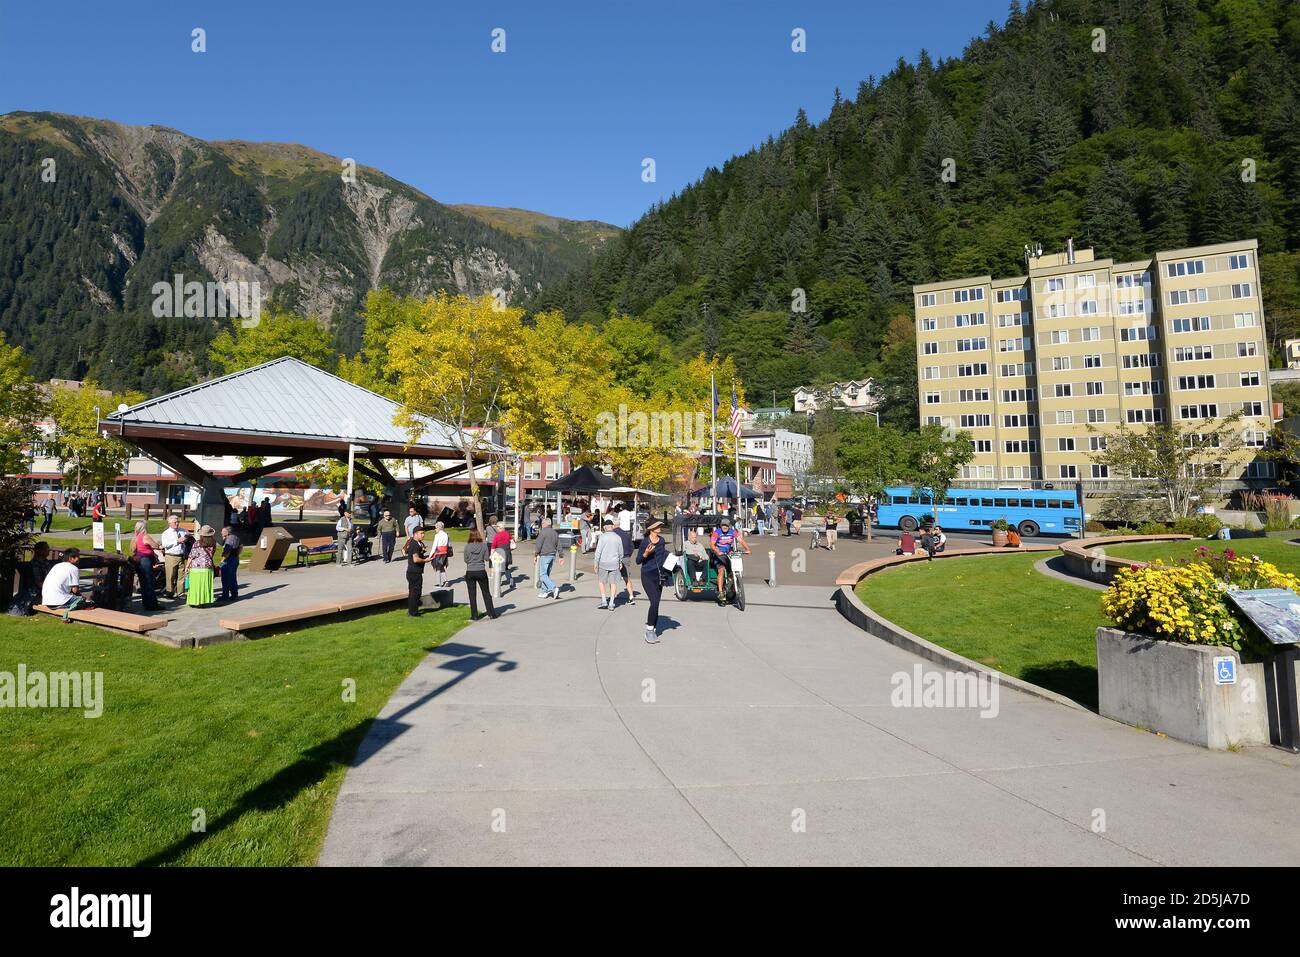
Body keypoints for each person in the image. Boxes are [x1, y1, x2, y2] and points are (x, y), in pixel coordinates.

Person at [637, 520, 669, 643]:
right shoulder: (645, 541)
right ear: (651, 529)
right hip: (647, 575)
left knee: (656, 603)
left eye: (660, 525)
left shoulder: (661, 541)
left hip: (659, 575)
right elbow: (638, 561)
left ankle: (653, 630)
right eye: (657, 526)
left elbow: (662, 555)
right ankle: (649, 631)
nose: (660, 527)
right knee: (654, 602)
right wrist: (646, 553)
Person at [708, 516, 750, 606]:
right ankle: (721, 593)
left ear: (729, 526)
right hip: (718, 556)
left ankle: (732, 586)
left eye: (726, 525)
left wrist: (747, 549)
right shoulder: (717, 532)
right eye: (723, 525)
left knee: (733, 569)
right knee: (721, 570)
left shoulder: (733, 532)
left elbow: (741, 540)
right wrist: (716, 550)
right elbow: (711, 544)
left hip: (728, 555)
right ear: (720, 525)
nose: (725, 527)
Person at [42, 548, 91, 622]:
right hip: (59, 601)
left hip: (47, 600)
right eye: (77, 557)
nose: (79, 559)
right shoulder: (73, 568)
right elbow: (75, 590)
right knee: (87, 601)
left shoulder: (57, 566)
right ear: (71, 558)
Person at [462, 529, 496, 621]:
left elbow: (466, 560)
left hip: (470, 571)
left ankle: (474, 615)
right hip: (481, 570)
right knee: (486, 592)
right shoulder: (484, 546)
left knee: (472, 594)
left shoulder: (467, 547)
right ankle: (491, 613)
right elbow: (486, 558)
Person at [593, 519, 625, 610]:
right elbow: (621, 552)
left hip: (603, 563)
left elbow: (598, 551)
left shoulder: (602, 537)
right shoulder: (618, 537)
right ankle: (611, 602)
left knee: (601, 581)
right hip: (614, 563)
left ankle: (604, 600)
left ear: (605, 527)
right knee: (613, 582)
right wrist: (620, 562)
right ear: (613, 526)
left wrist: (596, 563)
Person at [131, 520, 162, 611]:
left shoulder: (136, 537)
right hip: (145, 561)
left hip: (139, 560)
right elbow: (155, 545)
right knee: (149, 583)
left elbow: (133, 550)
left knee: (144, 583)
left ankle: (146, 604)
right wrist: (159, 546)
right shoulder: (145, 537)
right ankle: (152, 605)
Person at [184, 526, 218, 607]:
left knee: (195, 585)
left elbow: (191, 556)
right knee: (205, 585)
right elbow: (212, 554)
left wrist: (187, 566)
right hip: (208, 568)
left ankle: (195, 601)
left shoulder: (197, 543)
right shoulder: (213, 543)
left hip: (196, 567)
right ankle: (203, 601)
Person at [403, 526, 431, 616]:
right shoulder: (415, 544)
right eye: (421, 533)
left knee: (413, 592)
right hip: (414, 572)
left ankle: (411, 610)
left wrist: (426, 557)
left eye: (424, 533)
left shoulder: (417, 543)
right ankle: (413, 612)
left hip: (412, 572)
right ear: (415, 534)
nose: (423, 535)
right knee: (416, 593)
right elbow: (415, 559)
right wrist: (426, 560)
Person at [158, 514, 187, 600]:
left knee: (181, 575)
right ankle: (169, 592)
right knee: (170, 576)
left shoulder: (182, 531)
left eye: (178, 522)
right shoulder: (166, 533)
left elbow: (187, 539)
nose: (177, 524)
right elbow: (165, 544)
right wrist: (176, 541)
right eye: (175, 522)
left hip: (181, 555)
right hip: (171, 556)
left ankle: (181, 593)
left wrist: (186, 540)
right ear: (169, 523)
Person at [535, 517, 560, 599]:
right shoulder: (554, 532)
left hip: (545, 555)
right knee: (546, 574)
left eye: (542, 523)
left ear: (545, 524)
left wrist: (536, 554)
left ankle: (553, 588)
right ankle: (545, 591)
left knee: (543, 575)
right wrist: (561, 555)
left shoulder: (543, 532)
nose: (541, 525)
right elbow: (558, 544)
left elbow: (538, 545)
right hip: (552, 555)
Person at [219, 526, 242, 601]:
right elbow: (241, 547)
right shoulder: (235, 537)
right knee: (232, 577)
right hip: (235, 559)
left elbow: (227, 552)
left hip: (228, 560)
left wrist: (222, 560)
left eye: (223, 531)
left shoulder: (229, 539)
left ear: (227, 532)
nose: (221, 532)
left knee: (225, 579)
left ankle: (225, 596)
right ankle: (234, 594)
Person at [490, 520, 513, 591]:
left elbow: (493, 546)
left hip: (500, 554)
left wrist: (491, 555)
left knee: (498, 569)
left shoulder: (497, 536)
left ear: (500, 528)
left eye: (497, 527)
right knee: (506, 568)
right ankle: (511, 580)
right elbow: (512, 541)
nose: (496, 529)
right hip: (507, 553)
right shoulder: (508, 534)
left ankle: (498, 582)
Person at [430, 521, 451, 587]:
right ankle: (446, 581)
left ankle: (439, 583)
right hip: (444, 553)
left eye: (436, 528)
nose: (435, 529)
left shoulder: (437, 535)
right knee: (442, 567)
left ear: (438, 528)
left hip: (438, 553)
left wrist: (430, 555)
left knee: (437, 568)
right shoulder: (446, 534)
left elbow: (434, 546)